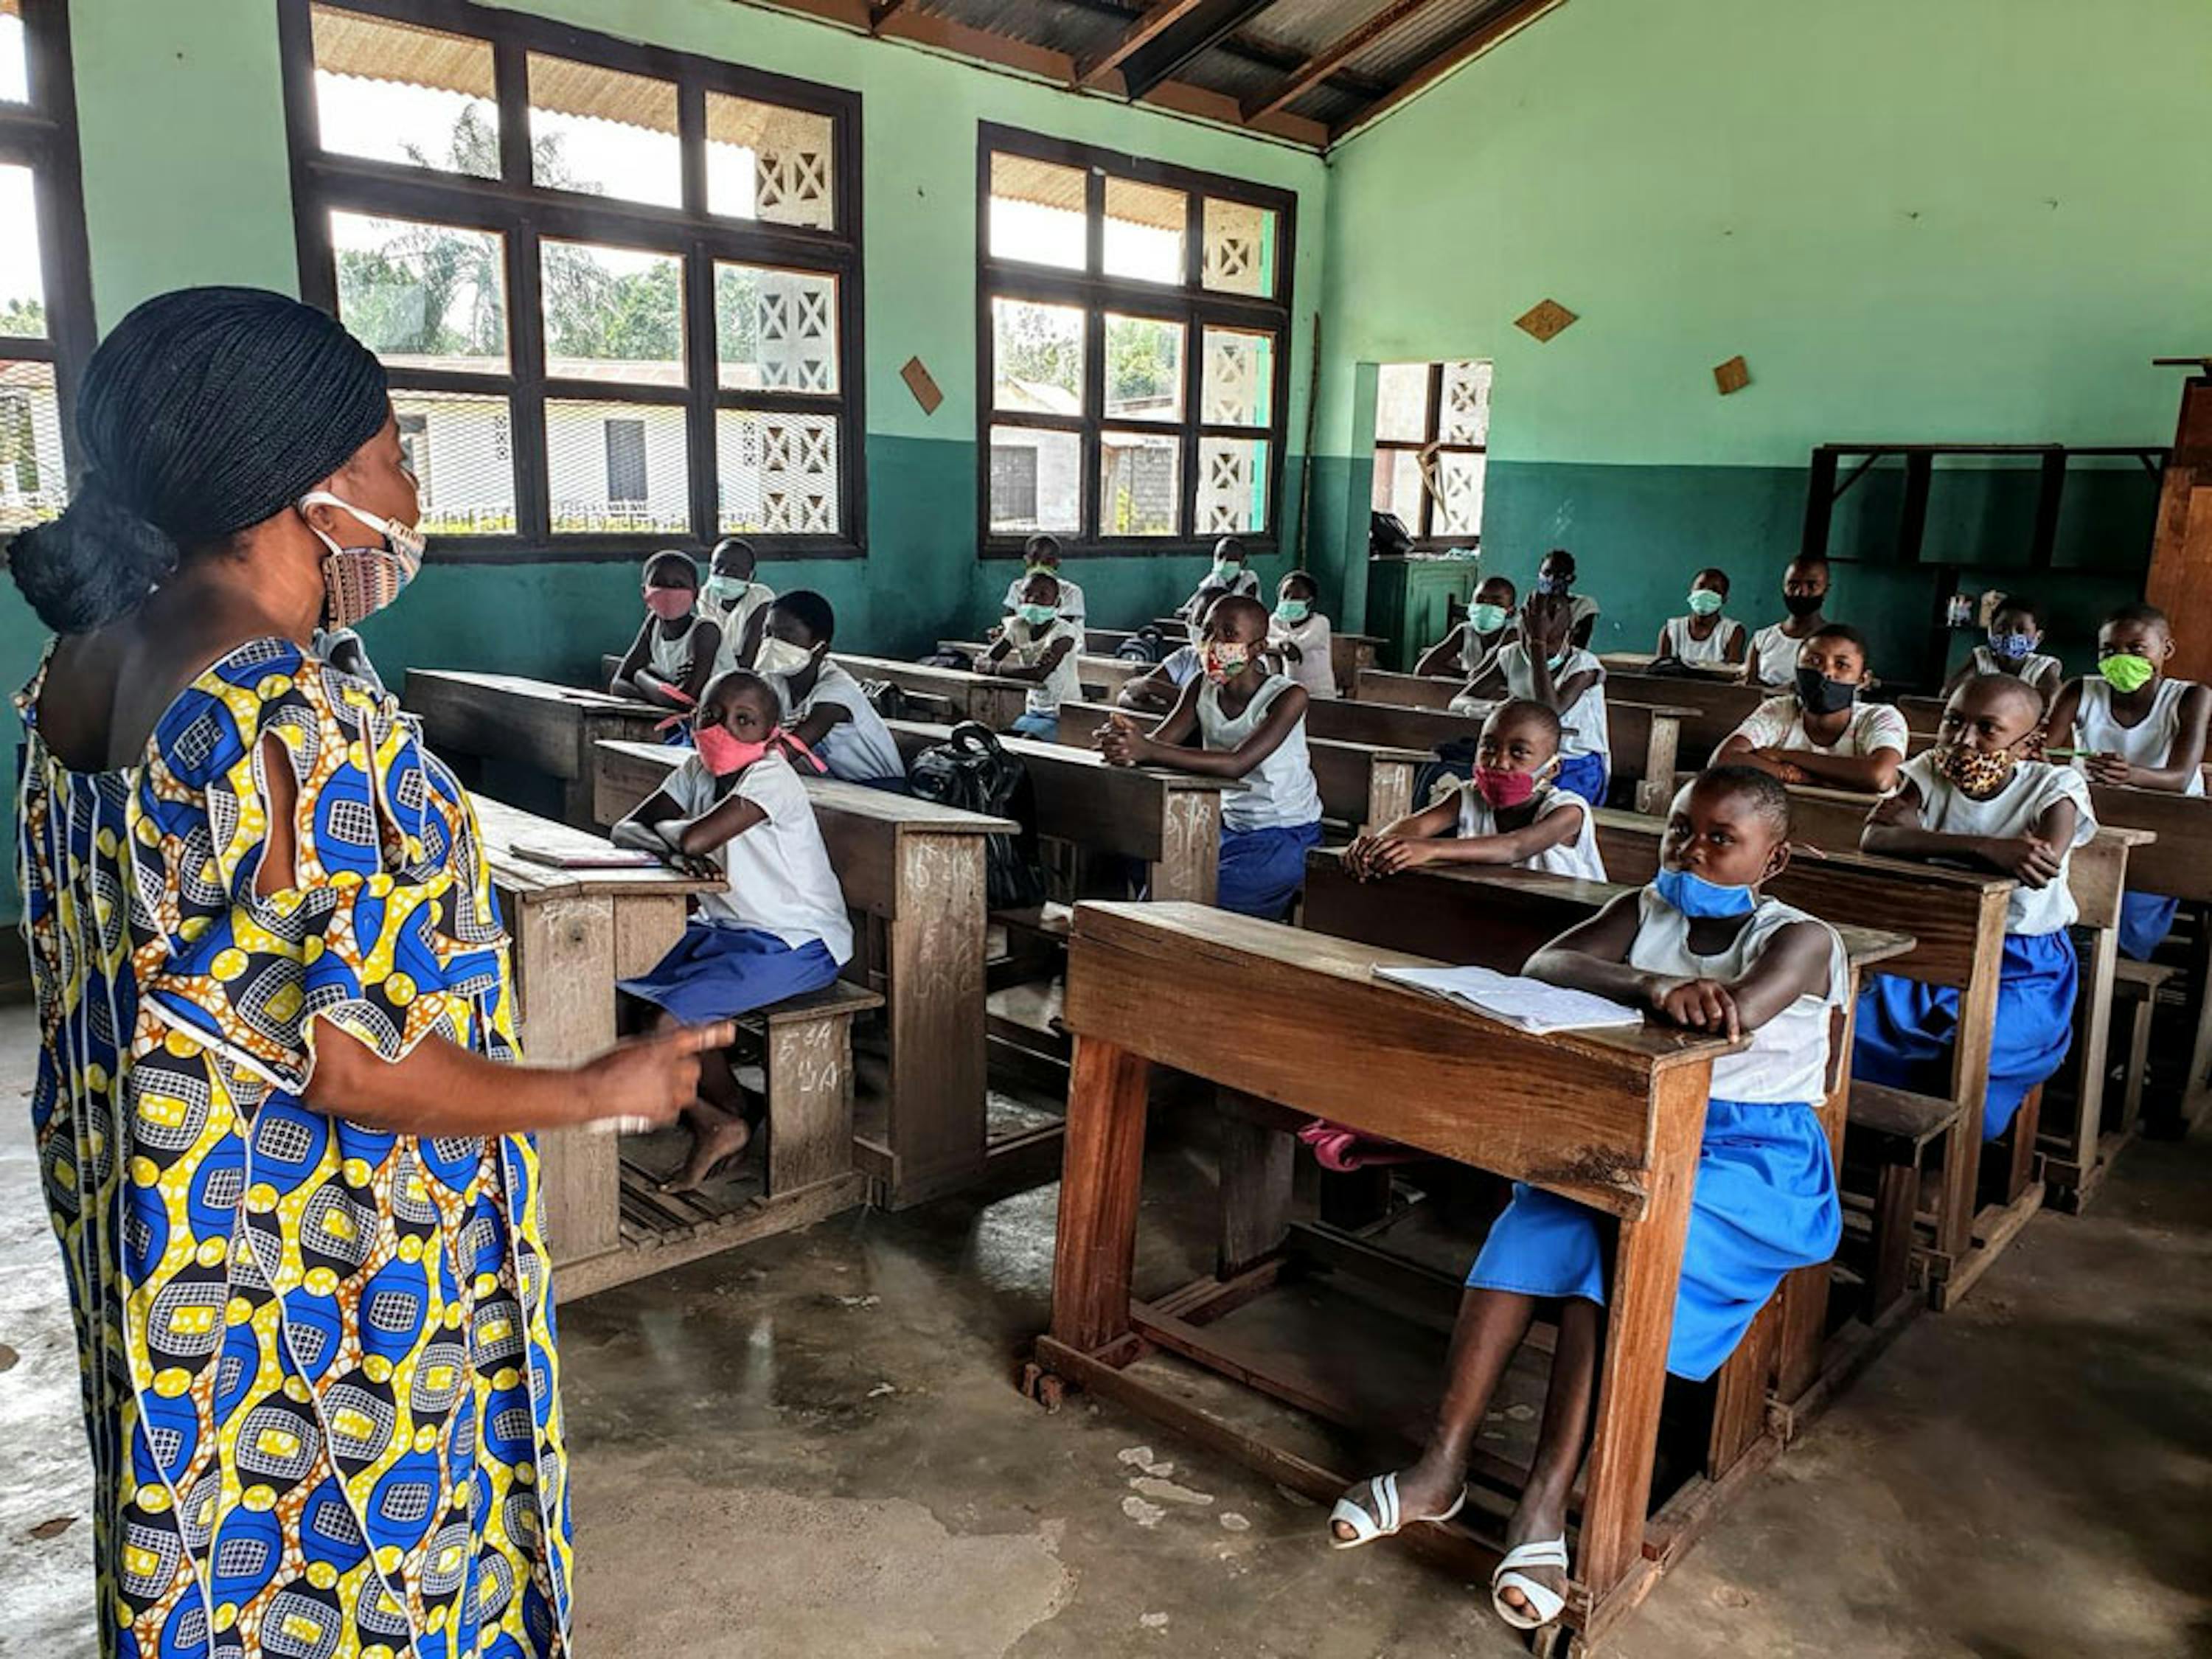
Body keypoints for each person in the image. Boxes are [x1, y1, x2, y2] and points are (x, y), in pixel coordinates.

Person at [8, 286, 721, 1659]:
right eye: (396, 454)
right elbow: (350, 1061)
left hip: (164, 1233)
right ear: (306, 491)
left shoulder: (81, 668)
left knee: (210, 1545)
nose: (409, 493)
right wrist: (593, 1086)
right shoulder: (281, 714)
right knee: (362, 1580)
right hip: (314, 1269)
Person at [1326, 768, 1844, 1635]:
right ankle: (1440, 1467)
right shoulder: (1649, 908)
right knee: (1536, 1213)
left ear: (1775, 857)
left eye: (1722, 838)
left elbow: (1734, 1014)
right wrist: (1647, 985)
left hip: (1754, 1162)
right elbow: (1547, 962)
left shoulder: (1804, 938)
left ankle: (1543, 1502)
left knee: (1614, 1235)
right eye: (1682, 830)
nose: (1693, 849)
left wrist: (1673, 998)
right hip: (1639, 1124)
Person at [613, 670, 853, 1190]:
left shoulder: (771, 778)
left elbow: (695, 839)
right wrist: (669, 839)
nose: (723, 729)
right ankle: (733, 1112)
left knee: (667, 1023)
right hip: (727, 930)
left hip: (797, 942)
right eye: (711, 716)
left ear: (772, 731)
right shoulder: (697, 770)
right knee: (620, 1000)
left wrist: (672, 838)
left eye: (744, 721)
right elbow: (625, 827)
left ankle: (715, 1124)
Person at [1853, 675, 2096, 1140]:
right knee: (1859, 1026)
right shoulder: (1928, 768)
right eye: (1954, 722)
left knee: (1977, 1052)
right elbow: (1876, 837)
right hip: (1935, 942)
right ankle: (1884, 1140)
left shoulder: (2055, 785)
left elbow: (2038, 861)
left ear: (2029, 744)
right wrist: (1985, 847)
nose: (1965, 741)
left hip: (2024, 963)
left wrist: (1921, 840)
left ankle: (1948, 1163)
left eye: (1988, 729)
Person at [1097, 595, 1323, 919]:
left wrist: (1146, 749)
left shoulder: (1288, 696)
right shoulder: (1200, 686)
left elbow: (1237, 764)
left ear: (1258, 648)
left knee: (1197, 904)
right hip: (1225, 825)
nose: (1213, 642)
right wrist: (1124, 744)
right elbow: (1158, 744)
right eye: (1208, 632)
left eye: (1229, 634)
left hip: (1284, 835)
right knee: (1156, 883)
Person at [2045, 602, 2209, 959]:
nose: (2121, 659)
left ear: (2165, 650)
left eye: (2136, 649)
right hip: (2094, 819)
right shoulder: (2079, 691)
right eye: (2109, 650)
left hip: (2166, 824)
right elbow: (2042, 751)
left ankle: (2115, 964)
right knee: (2064, 887)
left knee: (2135, 908)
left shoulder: (2190, 697)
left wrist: (2131, 775)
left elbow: (2180, 778)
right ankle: (2070, 958)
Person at [1344, 700, 1605, 882]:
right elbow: (1417, 826)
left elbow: (1515, 847)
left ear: (1552, 769)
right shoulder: (1469, 795)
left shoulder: (1569, 811)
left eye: (1519, 752)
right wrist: (1378, 847)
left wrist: (1431, 849)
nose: (1499, 762)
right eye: (1489, 747)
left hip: (1567, 927)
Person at [1712, 623, 1907, 792]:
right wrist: (1794, 775)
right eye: (1814, 661)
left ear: (1862, 680)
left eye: (1841, 665)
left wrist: (1783, 756)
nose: (1826, 672)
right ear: (1797, 669)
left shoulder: (1881, 717)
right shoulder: (1780, 710)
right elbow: (1724, 758)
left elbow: (1880, 776)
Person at [752, 588, 909, 791]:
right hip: (834, 785)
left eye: (785, 636)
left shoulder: (836, 692)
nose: (772, 643)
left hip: (881, 789)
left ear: (821, 649)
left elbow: (789, 750)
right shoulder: (774, 680)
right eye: (768, 633)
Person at [1484, 593, 1610, 805]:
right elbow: (1461, 699)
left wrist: (1537, 645)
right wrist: (1496, 708)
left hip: (1575, 763)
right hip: (1525, 757)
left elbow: (1549, 711)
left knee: (1549, 811)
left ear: (1569, 633)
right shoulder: (1511, 655)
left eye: (1551, 641)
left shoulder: (1584, 665)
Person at [611, 548, 722, 717]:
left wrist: (641, 676)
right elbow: (618, 684)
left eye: (678, 585)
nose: (669, 591)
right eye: (659, 584)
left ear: (695, 594)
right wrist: (661, 695)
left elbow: (686, 700)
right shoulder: (653, 623)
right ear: (645, 592)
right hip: (679, 718)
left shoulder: (706, 631)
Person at [984, 570, 1084, 737]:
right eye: (1027, 594)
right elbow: (986, 660)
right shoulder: (1018, 625)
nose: (1032, 600)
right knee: (1002, 740)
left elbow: (1039, 674)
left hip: (1063, 714)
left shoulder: (1064, 634)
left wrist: (995, 668)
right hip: (1033, 711)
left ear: (1057, 603)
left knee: (1026, 742)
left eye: (1042, 595)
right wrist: (990, 663)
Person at [1942, 593, 2062, 708]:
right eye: (2002, 628)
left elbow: (2054, 702)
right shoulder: (1982, 657)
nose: (2010, 635)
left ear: (2038, 637)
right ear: (1990, 630)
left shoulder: (2043, 665)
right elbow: (1949, 694)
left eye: (2021, 631)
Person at [1119, 592, 1220, 714]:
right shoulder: (1186, 657)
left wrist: (1154, 687)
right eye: (1200, 623)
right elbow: (1127, 696)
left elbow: (1212, 708)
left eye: (1212, 627)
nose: (1206, 634)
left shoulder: (1233, 666)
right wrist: (1176, 713)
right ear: (1189, 622)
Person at [1744, 553, 1831, 689]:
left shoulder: (1835, 641)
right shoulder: (1762, 638)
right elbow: (1749, 688)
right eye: (1793, 585)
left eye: (1811, 585)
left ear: (1826, 590)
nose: (1800, 592)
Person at [1414, 574, 1516, 682]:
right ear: (1471, 606)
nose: (1486, 606)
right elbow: (1424, 668)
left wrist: (1473, 678)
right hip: (1468, 694)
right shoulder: (1465, 632)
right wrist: (1467, 677)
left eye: (1497, 603)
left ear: (1510, 612)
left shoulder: (1515, 637)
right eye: (1480, 600)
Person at [701, 535, 777, 678]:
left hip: (754, 677)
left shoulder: (760, 599)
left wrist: (704, 666)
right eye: (719, 565)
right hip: (717, 672)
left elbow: (748, 662)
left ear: (751, 577)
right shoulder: (707, 595)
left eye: (735, 569)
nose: (724, 573)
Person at [1655, 567, 1747, 667]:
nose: (1705, 593)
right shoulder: (1671, 630)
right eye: (1701, 587)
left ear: (1724, 599)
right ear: (1691, 591)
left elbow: (1732, 673)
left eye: (1714, 590)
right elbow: (1660, 672)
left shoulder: (1732, 632)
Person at [1267, 569, 1338, 700]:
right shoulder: (1276, 621)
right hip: (1291, 694)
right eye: (1285, 595)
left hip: (1320, 696)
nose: (1288, 600)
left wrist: (1278, 645)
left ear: (1309, 602)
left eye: (1295, 597)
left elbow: (1297, 646)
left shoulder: (1320, 623)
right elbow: (1265, 640)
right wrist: (1281, 645)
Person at [1177, 535, 1261, 634]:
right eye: (1220, 556)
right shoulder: (1213, 580)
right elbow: (1189, 607)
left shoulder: (1249, 579)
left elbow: (1243, 612)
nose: (1224, 561)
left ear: (1243, 562)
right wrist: (1190, 612)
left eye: (1231, 558)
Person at [1000, 532, 1087, 627]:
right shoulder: (1017, 587)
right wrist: (1001, 632)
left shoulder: (1071, 592)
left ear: (1057, 563)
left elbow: (1063, 628)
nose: (1039, 564)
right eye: (1034, 559)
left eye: (1048, 561)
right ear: (1027, 561)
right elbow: (1008, 621)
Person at [1534, 548, 1599, 649]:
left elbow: (1578, 645)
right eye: (1546, 573)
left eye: (1559, 575)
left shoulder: (1583, 606)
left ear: (1571, 579)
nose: (1551, 579)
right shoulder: (1532, 604)